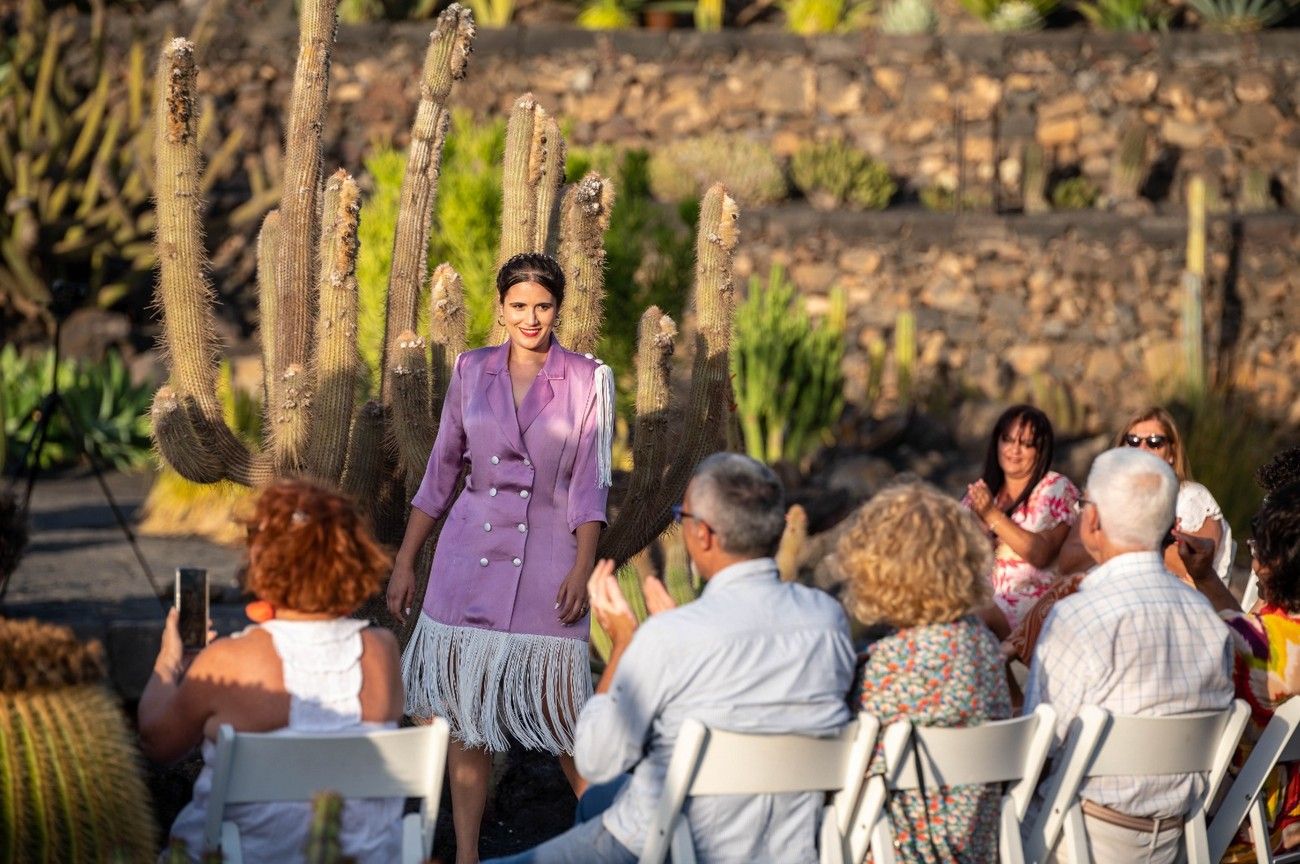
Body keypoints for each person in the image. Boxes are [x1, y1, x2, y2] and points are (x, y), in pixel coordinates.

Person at [484, 452, 856, 864]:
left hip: (671, 841)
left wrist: (625, 646)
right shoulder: (827, 620)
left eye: (685, 516)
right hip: (786, 843)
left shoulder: (671, 636)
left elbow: (595, 759)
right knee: (598, 803)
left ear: (704, 536)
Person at [385, 252, 612, 864]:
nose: (531, 318)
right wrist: (407, 559)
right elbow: (440, 475)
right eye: (519, 306)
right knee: (465, 718)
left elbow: (591, 487)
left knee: (564, 719)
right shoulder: (470, 369)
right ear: (501, 308)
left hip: (547, 563)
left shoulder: (589, 378)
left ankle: (622, 842)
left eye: (542, 306)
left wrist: (582, 569)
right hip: (466, 558)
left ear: (558, 308)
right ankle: (466, 857)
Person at [138, 479, 404, 863]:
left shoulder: (228, 661)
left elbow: (156, 743)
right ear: (354, 558)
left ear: (263, 560)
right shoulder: (381, 652)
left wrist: (170, 659)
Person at [1024, 447, 1234, 864]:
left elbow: (1039, 745)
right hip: (1178, 839)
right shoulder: (1209, 620)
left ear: (1094, 520)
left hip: (1077, 838)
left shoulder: (1078, 617)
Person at [840, 481, 1011, 862]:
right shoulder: (984, 649)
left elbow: (851, 773)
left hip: (898, 852)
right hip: (978, 850)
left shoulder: (889, 664)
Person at [1181, 479, 1300, 861]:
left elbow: (1246, 644)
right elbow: (1249, 631)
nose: (1254, 560)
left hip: (1246, 830)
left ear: (1276, 561)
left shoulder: (1255, 648)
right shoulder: (1277, 632)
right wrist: (1205, 577)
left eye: (1256, 548)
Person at [1057, 405, 1234, 584]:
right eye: (1133, 441)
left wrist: (1113, 538)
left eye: (1154, 442)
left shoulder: (1190, 498)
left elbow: (1192, 566)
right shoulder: (1105, 493)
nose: (1142, 448)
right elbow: (1068, 563)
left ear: (1172, 452)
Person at [963, 404, 1079, 636]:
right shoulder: (979, 494)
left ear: (1040, 450)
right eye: (1008, 440)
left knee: (974, 614)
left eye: (1026, 444)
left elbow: (1041, 554)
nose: (1014, 450)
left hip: (1029, 609)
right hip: (977, 599)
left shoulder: (1055, 488)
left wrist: (992, 516)